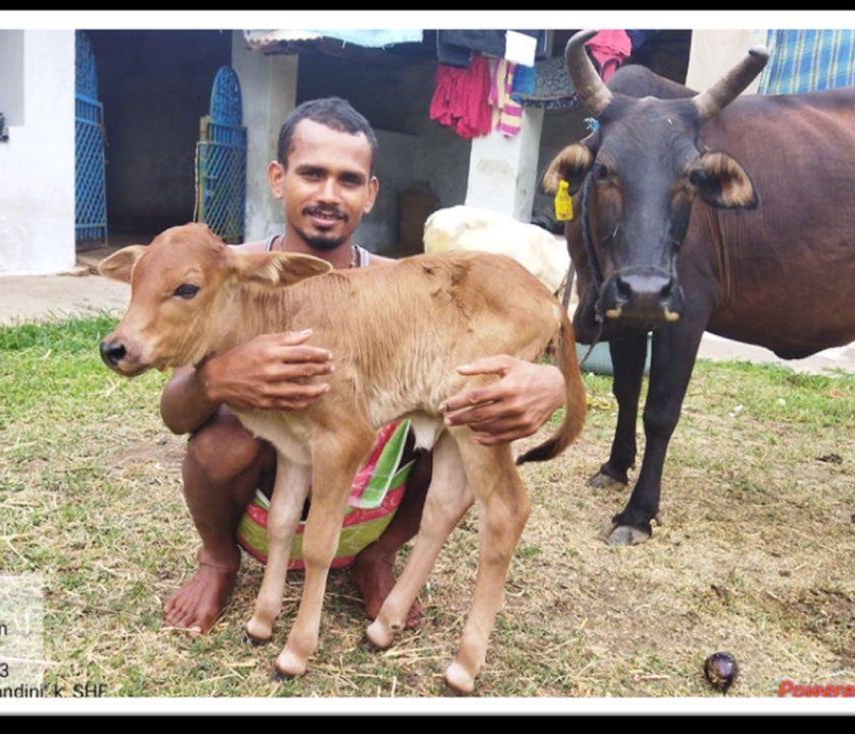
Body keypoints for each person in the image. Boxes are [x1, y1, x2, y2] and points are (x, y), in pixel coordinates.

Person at [158, 97, 567, 633]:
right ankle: (219, 559)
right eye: (312, 174)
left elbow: (522, 349)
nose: (329, 194)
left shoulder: (399, 286)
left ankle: (378, 556)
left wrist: (551, 383)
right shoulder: (228, 271)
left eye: (349, 180)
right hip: (269, 487)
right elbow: (174, 412)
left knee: (456, 405)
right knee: (221, 435)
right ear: (278, 178)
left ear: (370, 194)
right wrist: (217, 377)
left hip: (369, 476)